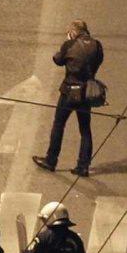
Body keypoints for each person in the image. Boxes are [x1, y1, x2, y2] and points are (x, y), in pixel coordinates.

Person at [37, 23, 104, 175]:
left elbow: (57, 60)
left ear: (74, 32)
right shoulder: (97, 45)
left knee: (59, 125)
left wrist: (67, 43)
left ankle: (51, 160)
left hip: (69, 92)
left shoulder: (70, 44)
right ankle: (83, 166)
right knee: (85, 129)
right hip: (86, 92)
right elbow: (99, 60)